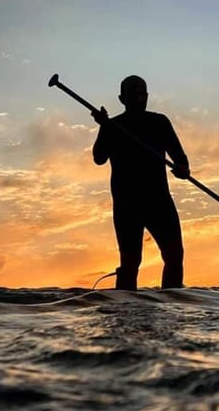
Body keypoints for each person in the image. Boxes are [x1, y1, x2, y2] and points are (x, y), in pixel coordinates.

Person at [91, 75, 190, 290]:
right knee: (130, 263)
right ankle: (127, 312)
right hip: (127, 204)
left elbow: (180, 158)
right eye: (133, 94)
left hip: (159, 201)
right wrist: (104, 128)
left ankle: (172, 305)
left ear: (146, 96)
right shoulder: (113, 126)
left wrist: (182, 168)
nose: (138, 98)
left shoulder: (159, 122)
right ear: (121, 98)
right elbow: (99, 158)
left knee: (174, 256)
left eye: (142, 93)